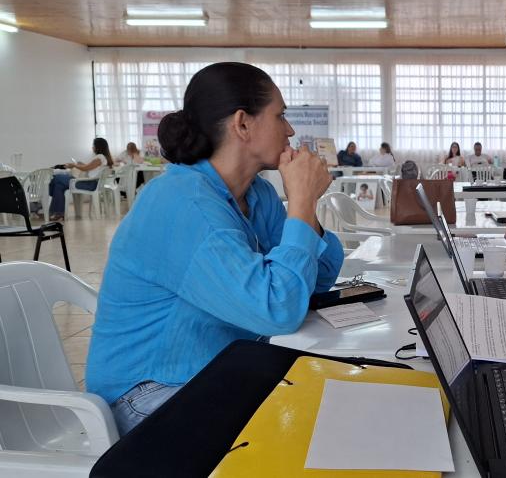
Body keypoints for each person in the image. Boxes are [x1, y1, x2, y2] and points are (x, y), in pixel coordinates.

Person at [85, 62, 344, 435]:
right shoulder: (183, 202)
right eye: (280, 115)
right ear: (242, 124)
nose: (290, 130)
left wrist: (305, 205)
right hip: (147, 395)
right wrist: (301, 202)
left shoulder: (257, 194)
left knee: (328, 402)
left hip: (217, 372)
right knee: (303, 429)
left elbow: (317, 280)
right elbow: (278, 310)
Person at [47, 137, 114, 221]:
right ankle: (59, 214)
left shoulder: (100, 157)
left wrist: (74, 165)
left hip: (89, 184)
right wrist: (81, 164)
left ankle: (53, 203)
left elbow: (86, 168)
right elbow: (90, 167)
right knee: (58, 186)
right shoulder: (103, 158)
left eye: (93, 145)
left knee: (56, 178)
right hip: (90, 183)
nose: (92, 147)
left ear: (98, 147)